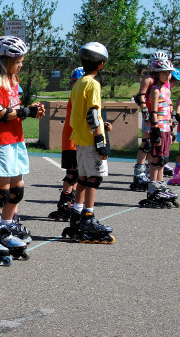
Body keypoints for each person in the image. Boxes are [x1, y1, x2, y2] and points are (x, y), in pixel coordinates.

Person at [0, 35, 44, 265]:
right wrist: (27, 112)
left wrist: (30, 109)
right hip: (0, 142)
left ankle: (6, 230)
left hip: (16, 140)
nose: (21, 63)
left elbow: (14, 110)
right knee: (1, 193)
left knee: (17, 191)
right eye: (18, 59)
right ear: (5, 60)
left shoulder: (13, 81)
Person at [61, 42, 115, 244]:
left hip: (79, 140)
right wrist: (100, 140)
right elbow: (93, 114)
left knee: (82, 179)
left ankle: (76, 214)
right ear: (101, 65)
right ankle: (88, 218)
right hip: (92, 140)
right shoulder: (93, 84)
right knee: (94, 179)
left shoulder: (78, 84)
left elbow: (77, 115)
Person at [139, 58, 180, 208]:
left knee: (163, 159)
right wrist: (154, 128)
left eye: (169, 73)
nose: (168, 76)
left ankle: (160, 184)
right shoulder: (155, 90)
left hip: (166, 127)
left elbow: (168, 110)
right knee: (156, 158)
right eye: (165, 73)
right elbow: (153, 110)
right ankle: (152, 188)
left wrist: (172, 126)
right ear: (157, 74)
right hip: (158, 128)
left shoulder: (167, 89)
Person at [49, 67, 84, 221]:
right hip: (72, 140)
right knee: (73, 173)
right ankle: (64, 204)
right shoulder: (77, 96)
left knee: (76, 174)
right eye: (74, 82)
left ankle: (70, 201)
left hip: (75, 140)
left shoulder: (78, 95)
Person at [130, 50, 167, 191]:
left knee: (154, 148)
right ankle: (139, 172)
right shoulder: (148, 79)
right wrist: (145, 112)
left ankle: (149, 172)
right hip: (149, 116)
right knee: (146, 144)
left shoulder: (164, 81)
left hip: (160, 118)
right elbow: (140, 97)